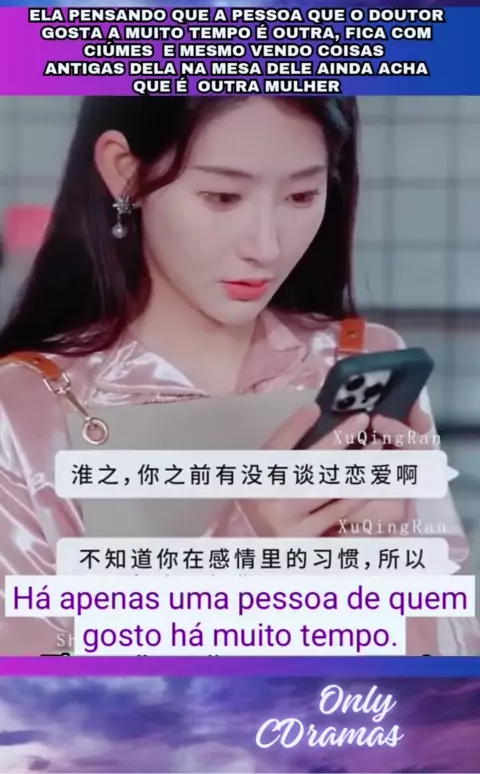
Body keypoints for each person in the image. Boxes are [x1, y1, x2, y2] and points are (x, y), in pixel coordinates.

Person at [0, 96, 476, 655]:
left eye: (302, 195)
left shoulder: (355, 359)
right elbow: (34, 694)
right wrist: (244, 556)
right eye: (223, 197)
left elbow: (447, 671)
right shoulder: (27, 406)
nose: (265, 247)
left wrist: (392, 554)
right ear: (125, 173)